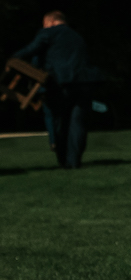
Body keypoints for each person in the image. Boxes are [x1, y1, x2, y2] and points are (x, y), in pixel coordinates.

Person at [12, 11, 103, 169]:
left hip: (60, 83)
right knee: (78, 123)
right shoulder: (77, 36)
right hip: (84, 83)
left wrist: (13, 59)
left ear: (51, 21)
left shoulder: (49, 33)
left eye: (44, 24)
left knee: (58, 121)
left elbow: (32, 49)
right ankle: (74, 161)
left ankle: (62, 159)